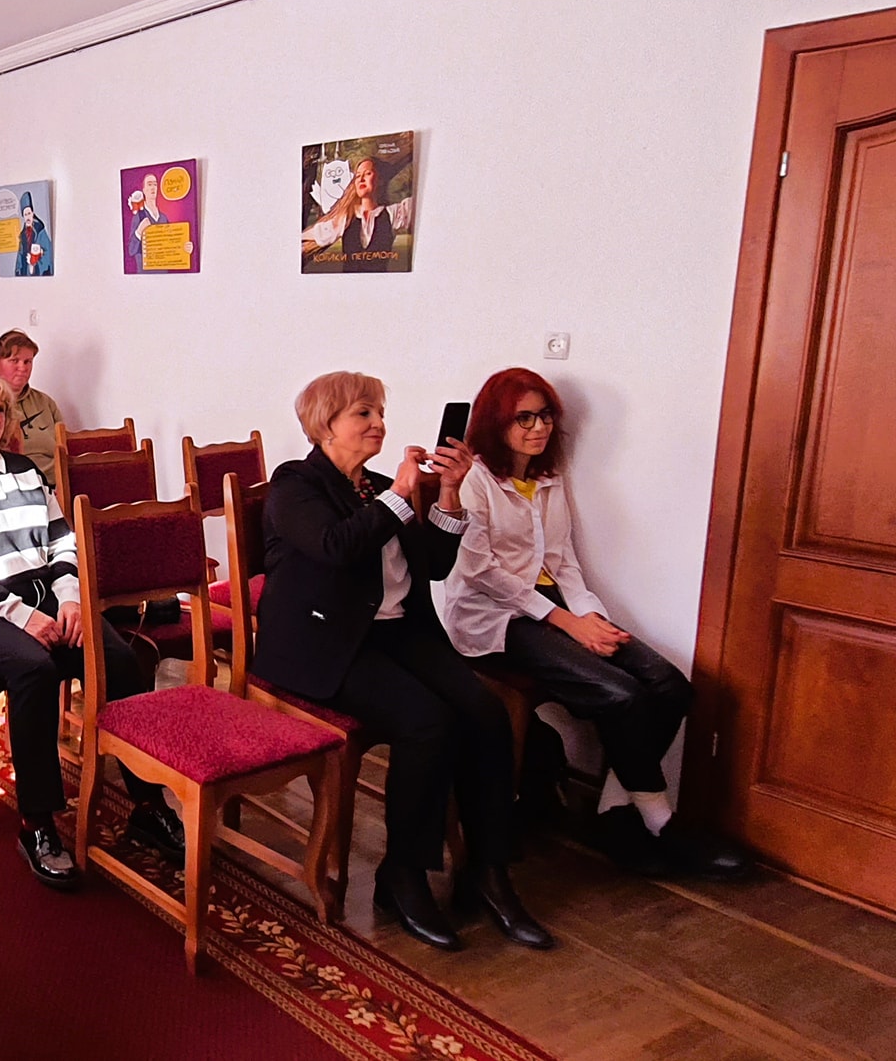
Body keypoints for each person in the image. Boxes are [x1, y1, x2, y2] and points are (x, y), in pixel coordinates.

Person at [253, 371, 550, 952]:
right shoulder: (295, 484)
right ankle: (403, 875)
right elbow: (337, 547)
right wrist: (398, 497)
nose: (378, 424)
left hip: (396, 635)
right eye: (363, 413)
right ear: (326, 424)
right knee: (427, 721)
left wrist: (447, 494)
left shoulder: (379, 488)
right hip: (324, 646)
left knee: (485, 712)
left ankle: (487, 872)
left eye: (380, 412)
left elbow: (434, 565)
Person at [442, 368, 748, 879]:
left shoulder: (547, 480)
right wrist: (565, 621)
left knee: (670, 685)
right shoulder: (476, 482)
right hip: (491, 616)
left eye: (544, 416)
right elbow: (479, 573)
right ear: (496, 423)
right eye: (524, 418)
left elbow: (562, 561)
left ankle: (613, 810)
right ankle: (660, 821)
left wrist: (590, 616)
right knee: (622, 695)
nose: (538, 428)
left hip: (554, 604)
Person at [0, 372, 185, 888]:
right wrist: (20, 615)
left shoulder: (26, 469)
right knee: (34, 669)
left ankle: (146, 803)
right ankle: (35, 823)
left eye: (1, 410)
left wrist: (71, 600)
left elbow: (63, 542)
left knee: (121, 661)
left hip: (44, 593)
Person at [301, 154, 414, 273]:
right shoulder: (347, 217)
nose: (361, 179)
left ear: (380, 180)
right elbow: (320, 233)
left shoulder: (392, 214)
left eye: (367, 174)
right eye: (358, 176)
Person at [0, 329, 65, 481]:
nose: (23, 368)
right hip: (11, 484)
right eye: (14, 361)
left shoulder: (45, 403)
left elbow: (64, 449)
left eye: (27, 362)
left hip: (54, 484)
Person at [13, 190, 52, 276]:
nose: (28, 217)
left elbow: (49, 254)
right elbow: (19, 259)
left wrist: (35, 262)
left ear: (33, 213)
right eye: (25, 214)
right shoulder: (22, 235)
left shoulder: (40, 231)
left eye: (29, 213)